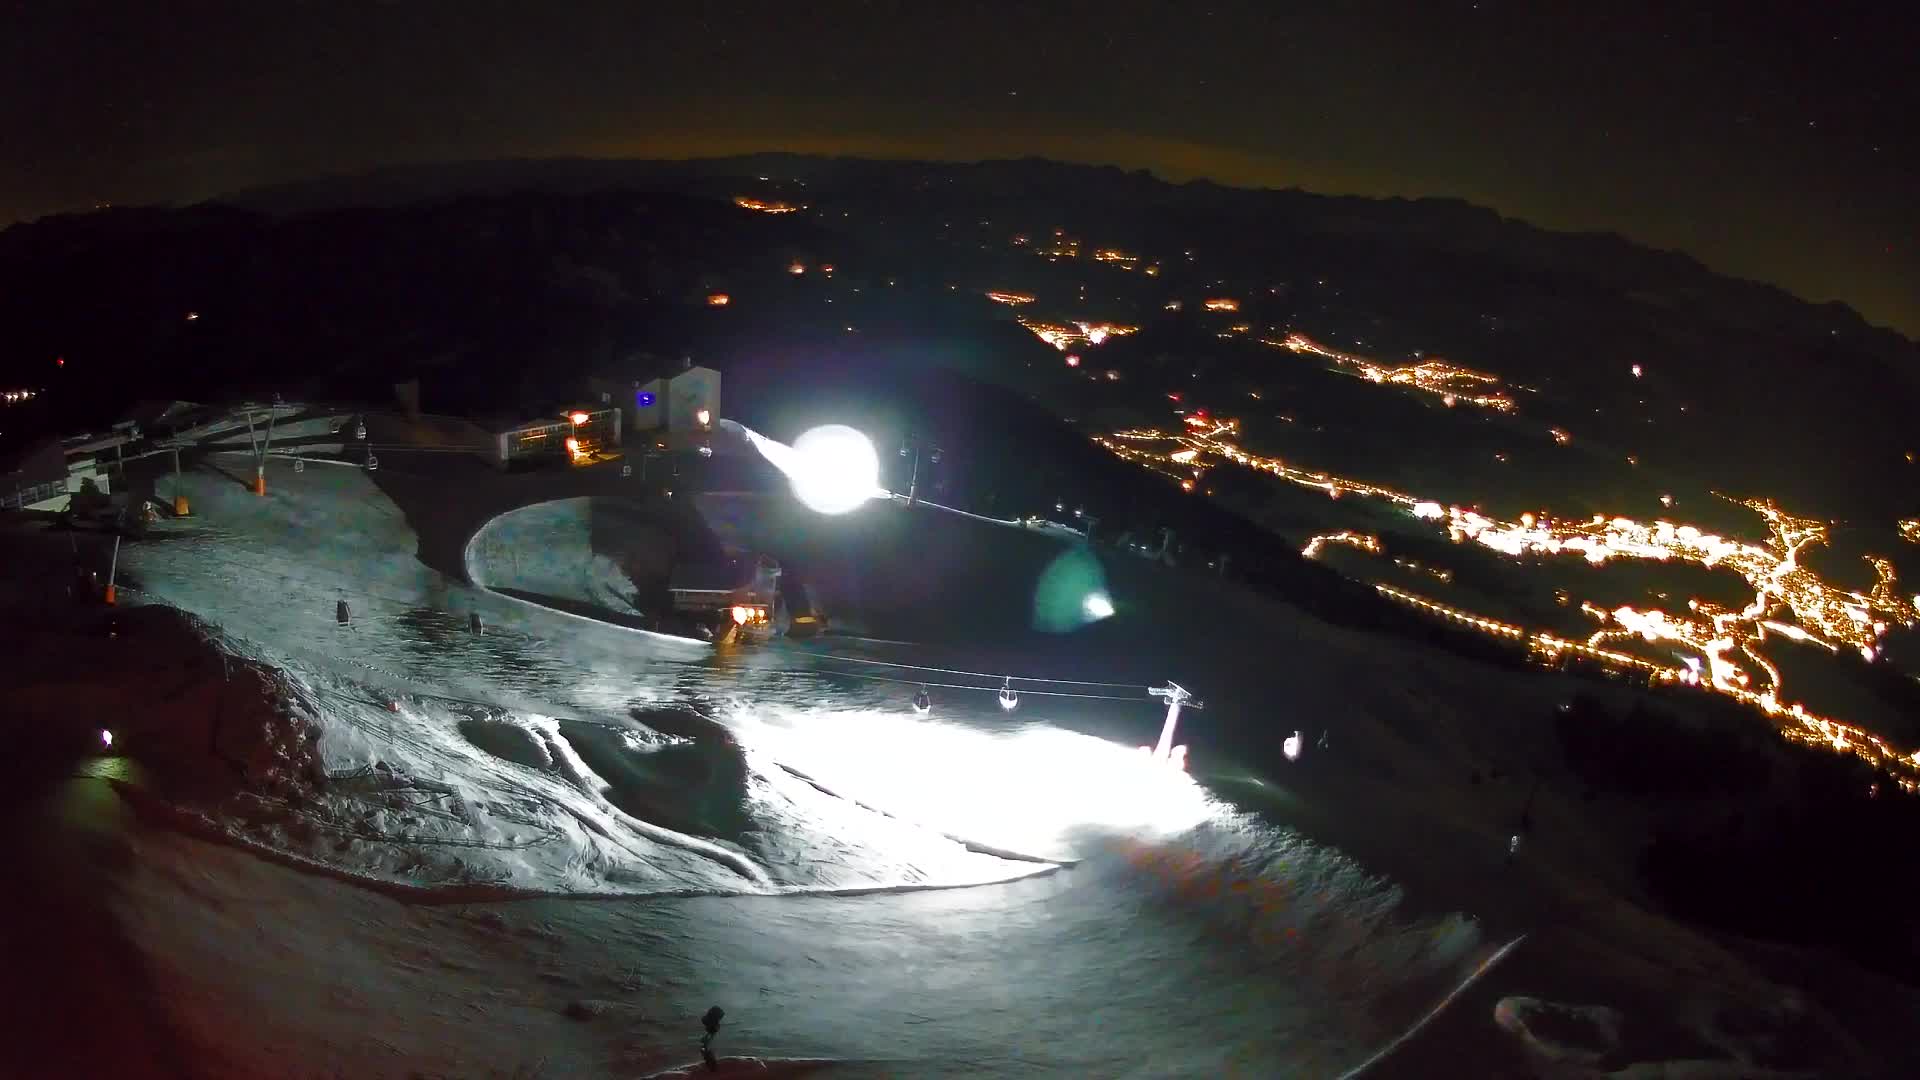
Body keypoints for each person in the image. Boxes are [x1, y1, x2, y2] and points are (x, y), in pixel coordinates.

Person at [700, 1005, 725, 1071]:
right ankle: (711, 1065)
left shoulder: (711, 1024)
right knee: (705, 1047)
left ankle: (712, 1065)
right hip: (711, 1030)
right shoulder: (713, 1025)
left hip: (711, 1030)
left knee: (705, 1047)